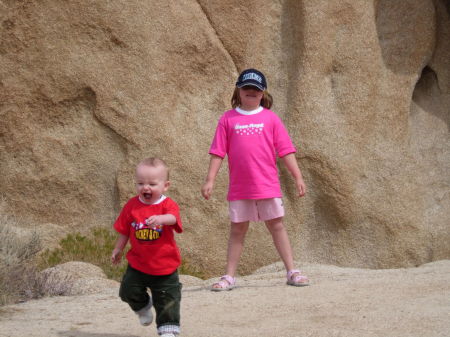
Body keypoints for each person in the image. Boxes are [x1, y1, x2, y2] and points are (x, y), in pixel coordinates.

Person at [201, 68, 309, 291]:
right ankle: (229, 276)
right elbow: (218, 152)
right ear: (238, 90)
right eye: (246, 87)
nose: (251, 91)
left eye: (256, 89)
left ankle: (291, 270)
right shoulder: (227, 119)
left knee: (277, 225)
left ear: (262, 93)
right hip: (240, 189)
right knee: (237, 229)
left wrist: (297, 176)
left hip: (267, 185)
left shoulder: (271, 118)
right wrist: (210, 179)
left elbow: (286, 150)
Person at [111, 157, 183, 337]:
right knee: (127, 290)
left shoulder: (167, 205)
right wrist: (118, 249)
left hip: (164, 265)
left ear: (165, 186)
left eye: (152, 183)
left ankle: (167, 329)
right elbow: (125, 231)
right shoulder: (131, 206)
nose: (146, 187)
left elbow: (174, 218)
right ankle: (142, 307)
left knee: (167, 299)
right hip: (138, 264)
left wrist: (161, 219)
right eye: (141, 183)